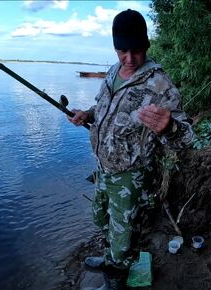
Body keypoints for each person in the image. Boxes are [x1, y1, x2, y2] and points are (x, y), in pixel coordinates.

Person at [69, 9, 194, 290]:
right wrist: (87, 115)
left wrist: (169, 127)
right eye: (122, 51)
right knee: (101, 218)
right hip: (103, 167)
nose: (129, 59)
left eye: (135, 51)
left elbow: (187, 139)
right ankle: (110, 257)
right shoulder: (114, 71)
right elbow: (104, 108)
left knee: (124, 236)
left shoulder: (159, 85)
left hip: (131, 176)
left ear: (146, 46)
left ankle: (116, 280)